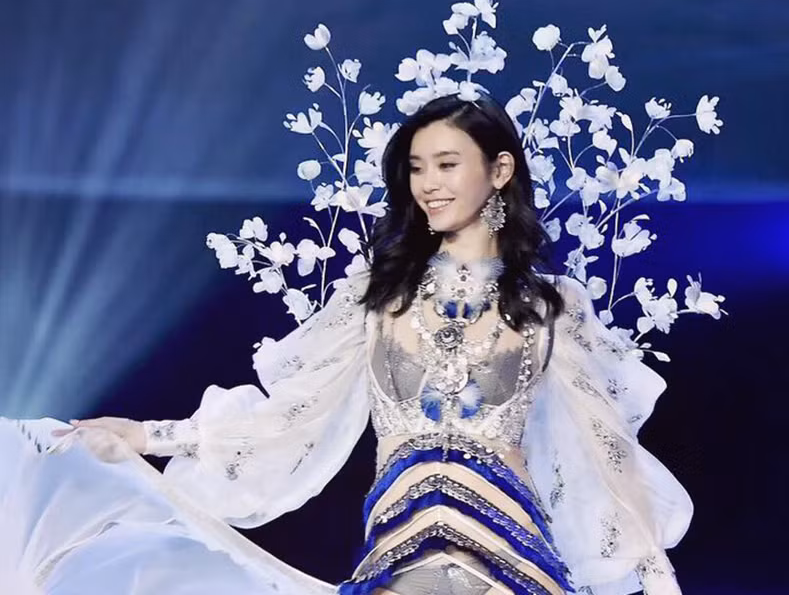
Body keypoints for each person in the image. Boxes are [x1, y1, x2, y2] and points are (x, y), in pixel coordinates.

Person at [0, 94, 692, 595]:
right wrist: (150, 436)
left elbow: (604, 448)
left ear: (501, 170)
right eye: (416, 167)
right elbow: (287, 417)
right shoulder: (378, 295)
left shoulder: (550, 305)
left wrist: (655, 573)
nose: (429, 184)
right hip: (401, 548)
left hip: (510, 555)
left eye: (447, 164)